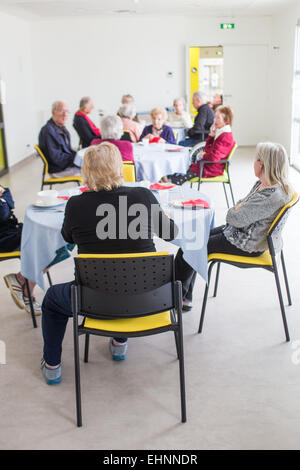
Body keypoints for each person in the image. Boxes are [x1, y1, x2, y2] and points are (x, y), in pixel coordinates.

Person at [41, 142, 177, 384]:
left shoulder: (75, 204)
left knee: (52, 299)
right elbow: (170, 233)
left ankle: (52, 366)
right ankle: (119, 343)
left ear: (87, 171)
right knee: (127, 274)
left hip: (93, 299)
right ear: (118, 168)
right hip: (147, 296)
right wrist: (164, 216)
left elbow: (68, 237)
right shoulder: (144, 196)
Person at [175, 142, 293, 311]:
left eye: (255, 158)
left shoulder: (271, 195)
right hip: (240, 233)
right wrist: (239, 209)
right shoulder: (264, 184)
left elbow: (234, 217)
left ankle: (178, 298)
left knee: (191, 245)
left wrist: (237, 209)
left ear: (263, 164)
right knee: (192, 239)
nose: (253, 162)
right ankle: (184, 296)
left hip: (246, 243)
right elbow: (240, 209)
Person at [167, 105, 235, 185]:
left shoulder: (225, 136)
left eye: (218, 118)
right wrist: (211, 135)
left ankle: (174, 192)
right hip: (207, 165)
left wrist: (203, 155)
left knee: (177, 178)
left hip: (211, 168)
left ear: (226, 121)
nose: (214, 120)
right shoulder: (221, 133)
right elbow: (206, 149)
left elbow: (214, 157)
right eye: (215, 117)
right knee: (177, 173)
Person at [1, 185, 41, 314]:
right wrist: (3, 200)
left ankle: (20, 279)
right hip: (3, 238)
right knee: (43, 245)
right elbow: (3, 214)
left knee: (50, 237)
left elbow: (8, 194)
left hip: (11, 231)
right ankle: (27, 292)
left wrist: (3, 198)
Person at [38, 101, 81, 177]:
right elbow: (57, 159)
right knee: (90, 169)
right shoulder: (48, 131)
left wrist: (79, 157)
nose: (65, 114)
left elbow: (68, 151)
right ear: (53, 112)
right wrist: (78, 160)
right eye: (61, 111)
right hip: (58, 169)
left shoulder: (62, 128)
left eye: (67, 111)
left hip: (64, 165)